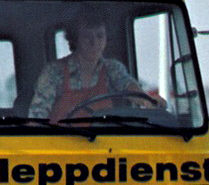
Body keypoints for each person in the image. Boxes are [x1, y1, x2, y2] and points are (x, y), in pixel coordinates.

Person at [29, 9, 158, 121]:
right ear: (74, 39)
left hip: (106, 145)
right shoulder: (54, 72)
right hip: (61, 145)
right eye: (87, 36)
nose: (94, 43)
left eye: (100, 36)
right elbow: (37, 116)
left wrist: (147, 101)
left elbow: (127, 85)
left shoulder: (112, 68)